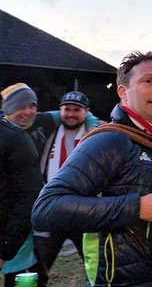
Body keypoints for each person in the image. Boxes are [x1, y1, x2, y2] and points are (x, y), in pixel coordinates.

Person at [32, 51, 152, 286]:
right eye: (148, 81)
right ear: (123, 93)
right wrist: (138, 208)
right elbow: (46, 209)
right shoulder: (109, 140)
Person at [29, 91, 100, 275]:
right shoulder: (48, 132)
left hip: (84, 209)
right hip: (54, 208)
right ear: (59, 110)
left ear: (87, 112)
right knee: (38, 268)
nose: (71, 114)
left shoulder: (97, 135)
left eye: (77, 109)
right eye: (66, 109)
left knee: (97, 266)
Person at [0, 83, 46, 286]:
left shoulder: (18, 137)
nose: (28, 112)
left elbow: (28, 198)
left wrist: (6, 248)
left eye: (32, 105)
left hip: (19, 241)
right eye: (21, 106)